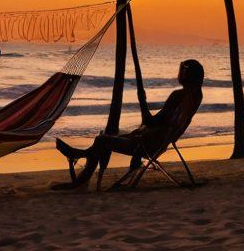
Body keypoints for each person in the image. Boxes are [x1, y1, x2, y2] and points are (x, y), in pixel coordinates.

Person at [54, 59, 204, 189]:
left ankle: (79, 174)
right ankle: (80, 157)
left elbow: (150, 121)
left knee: (102, 140)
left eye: (182, 70)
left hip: (146, 145)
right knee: (104, 139)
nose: (179, 73)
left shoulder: (178, 95)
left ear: (187, 75)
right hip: (158, 142)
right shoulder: (195, 96)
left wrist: (142, 102)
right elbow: (162, 123)